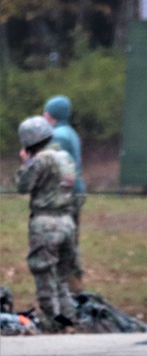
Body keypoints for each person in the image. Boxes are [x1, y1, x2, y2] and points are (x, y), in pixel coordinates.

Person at [15, 116, 79, 333]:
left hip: (46, 224)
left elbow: (23, 186)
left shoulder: (41, 160)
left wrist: (26, 162)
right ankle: (69, 320)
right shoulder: (65, 157)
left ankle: (55, 323)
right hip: (67, 222)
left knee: (44, 274)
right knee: (61, 278)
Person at [42, 95, 87, 292]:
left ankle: (68, 287)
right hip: (75, 193)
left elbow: (54, 168)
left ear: (50, 114)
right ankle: (73, 284)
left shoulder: (58, 136)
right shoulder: (70, 133)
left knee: (61, 242)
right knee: (70, 239)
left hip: (65, 195)